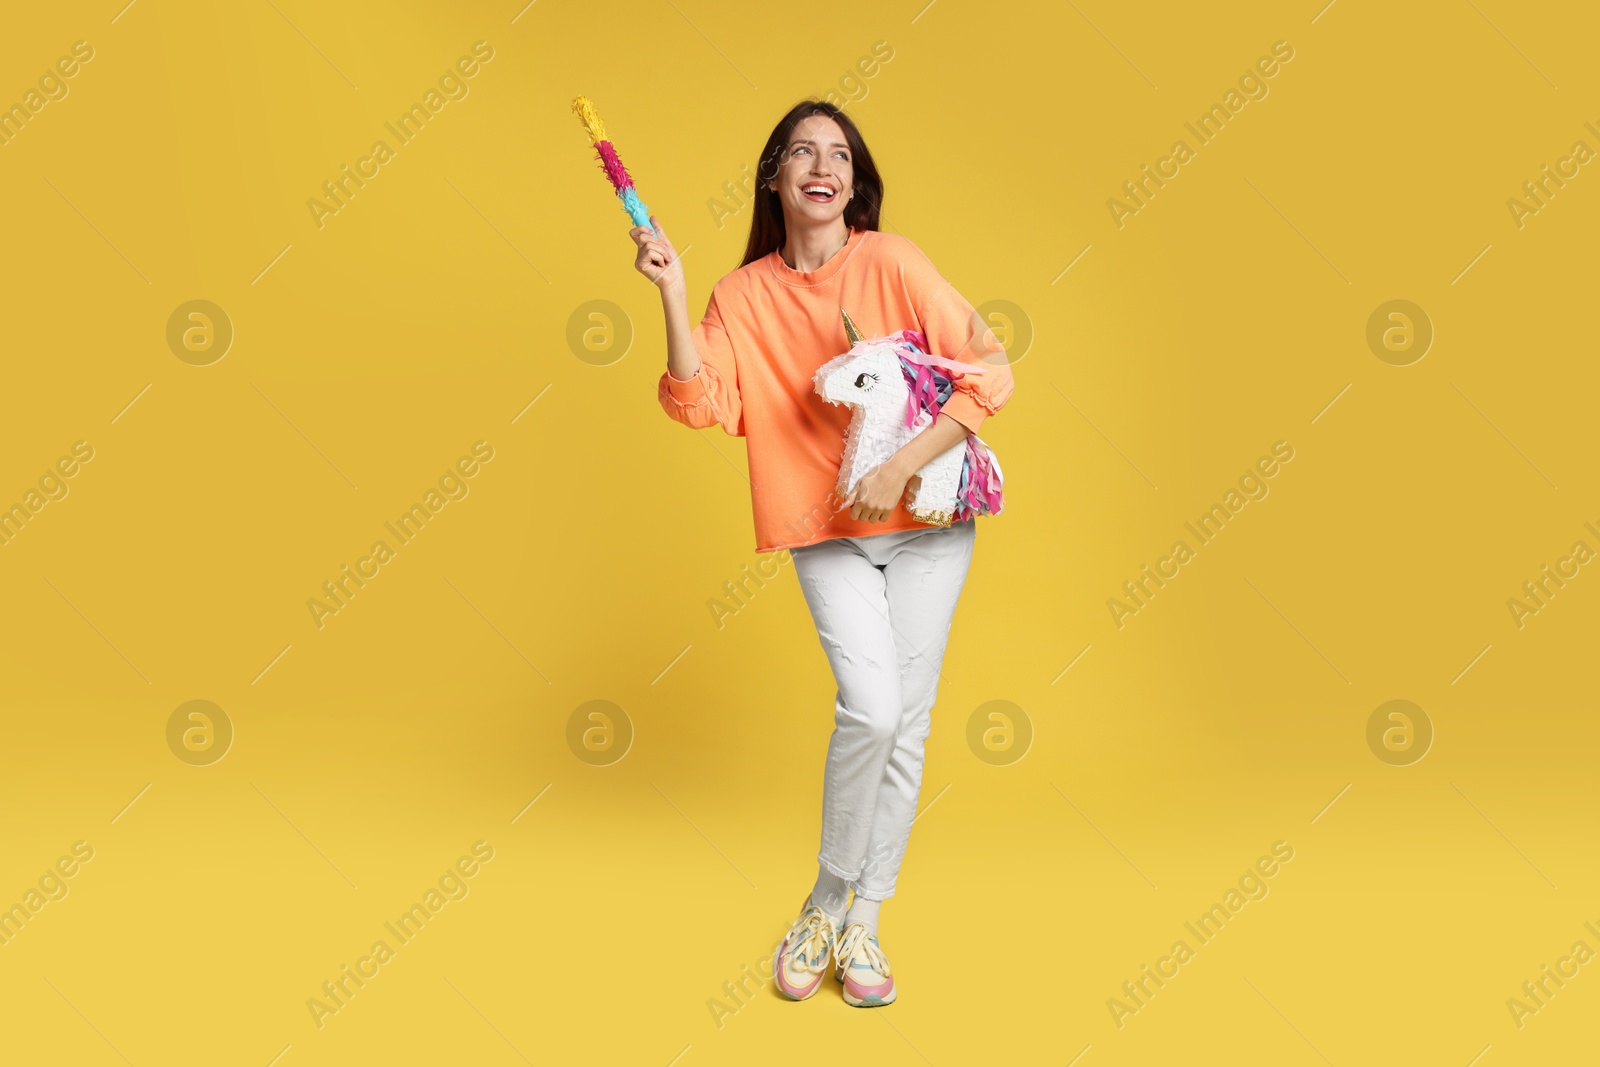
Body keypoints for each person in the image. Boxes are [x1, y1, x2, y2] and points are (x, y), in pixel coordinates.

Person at [632, 99, 1014, 1007]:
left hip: (926, 522)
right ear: (775, 176)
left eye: (838, 154)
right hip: (824, 529)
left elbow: (992, 367)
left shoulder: (892, 259)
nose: (821, 164)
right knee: (873, 712)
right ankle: (826, 898)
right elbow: (701, 403)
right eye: (801, 150)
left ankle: (863, 924)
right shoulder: (742, 293)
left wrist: (903, 466)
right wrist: (675, 293)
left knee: (908, 728)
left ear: (853, 179)